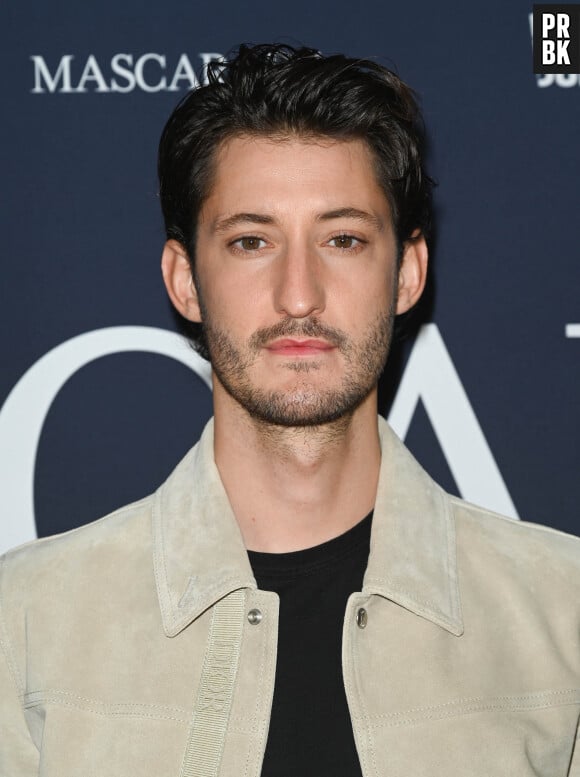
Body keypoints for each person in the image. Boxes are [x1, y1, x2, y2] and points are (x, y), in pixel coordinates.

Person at [1, 43, 579, 777]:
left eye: (342, 239)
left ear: (407, 272)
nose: (298, 294)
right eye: (251, 241)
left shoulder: (564, 615)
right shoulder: (22, 623)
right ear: (184, 279)